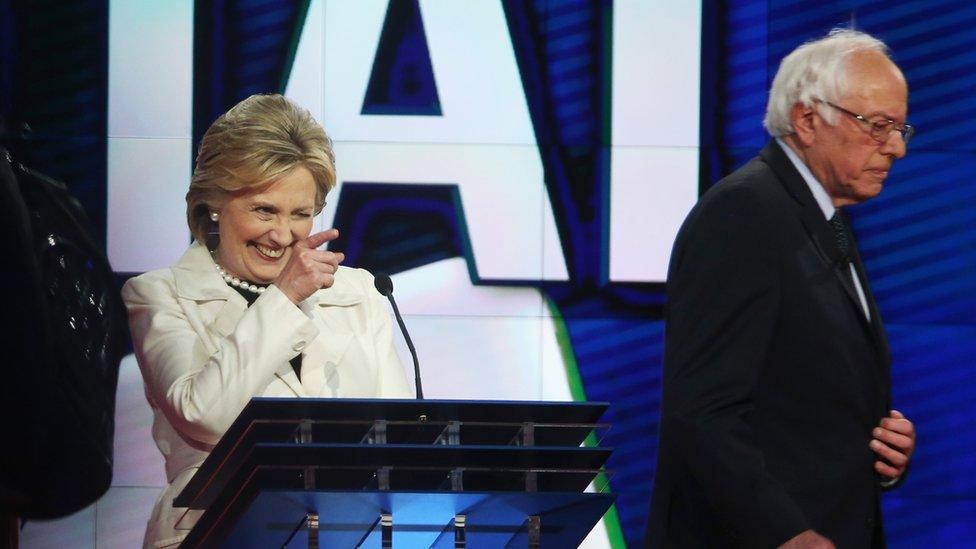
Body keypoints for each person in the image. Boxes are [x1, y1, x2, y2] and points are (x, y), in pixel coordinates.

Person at [645, 29, 917, 548]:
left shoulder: (821, 216)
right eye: (878, 126)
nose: (897, 148)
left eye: (901, 127)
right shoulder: (745, 213)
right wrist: (787, 533)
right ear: (808, 119)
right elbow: (703, 409)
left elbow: (800, 400)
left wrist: (882, 449)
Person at [122, 94, 412, 548]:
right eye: (264, 210)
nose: (282, 235)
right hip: (214, 533)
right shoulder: (159, 295)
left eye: (301, 214)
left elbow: (395, 439)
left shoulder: (358, 293)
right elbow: (203, 415)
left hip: (344, 536)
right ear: (214, 202)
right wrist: (285, 297)